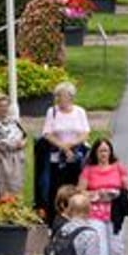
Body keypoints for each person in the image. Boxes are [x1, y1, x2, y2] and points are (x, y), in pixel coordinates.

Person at [78, 137, 128, 255]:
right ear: (95, 153)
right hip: (95, 212)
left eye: (106, 151)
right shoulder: (88, 170)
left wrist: (118, 192)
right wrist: (95, 193)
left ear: (111, 152)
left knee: (116, 247)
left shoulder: (118, 168)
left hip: (115, 212)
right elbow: (80, 191)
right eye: (101, 151)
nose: (104, 154)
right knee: (99, 246)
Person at [35, 83, 91, 223]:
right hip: (56, 158)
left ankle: (76, 216)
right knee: (55, 189)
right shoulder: (52, 112)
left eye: (61, 95)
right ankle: (55, 219)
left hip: (76, 156)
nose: (58, 99)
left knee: (74, 188)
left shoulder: (79, 112)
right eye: (57, 96)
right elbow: (47, 134)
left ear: (70, 97)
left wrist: (70, 146)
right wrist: (63, 148)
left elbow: (85, 133)